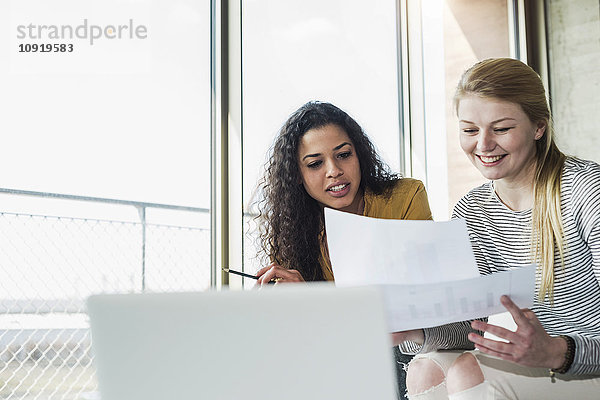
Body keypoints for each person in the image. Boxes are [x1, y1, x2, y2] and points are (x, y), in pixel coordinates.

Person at [395, 58, 600, 399]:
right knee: (424, 368)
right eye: (470, 130)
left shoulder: (587, 193)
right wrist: (413, 329)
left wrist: (555, 352)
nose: (484, 145)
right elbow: (468, 329)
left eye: (501, 129)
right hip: (536, 362)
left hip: (583, 363)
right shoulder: (472, 210)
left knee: (465, 371)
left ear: (538, 126)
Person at [253, 101, 433, 396]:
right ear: (298, 175)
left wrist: (317, 298)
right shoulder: (294, 231)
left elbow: (414, 299)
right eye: (315, 164)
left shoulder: (406, 197)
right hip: (338, 352)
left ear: (358, 155)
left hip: (403, 345)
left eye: (343, 155)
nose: (334, 171)